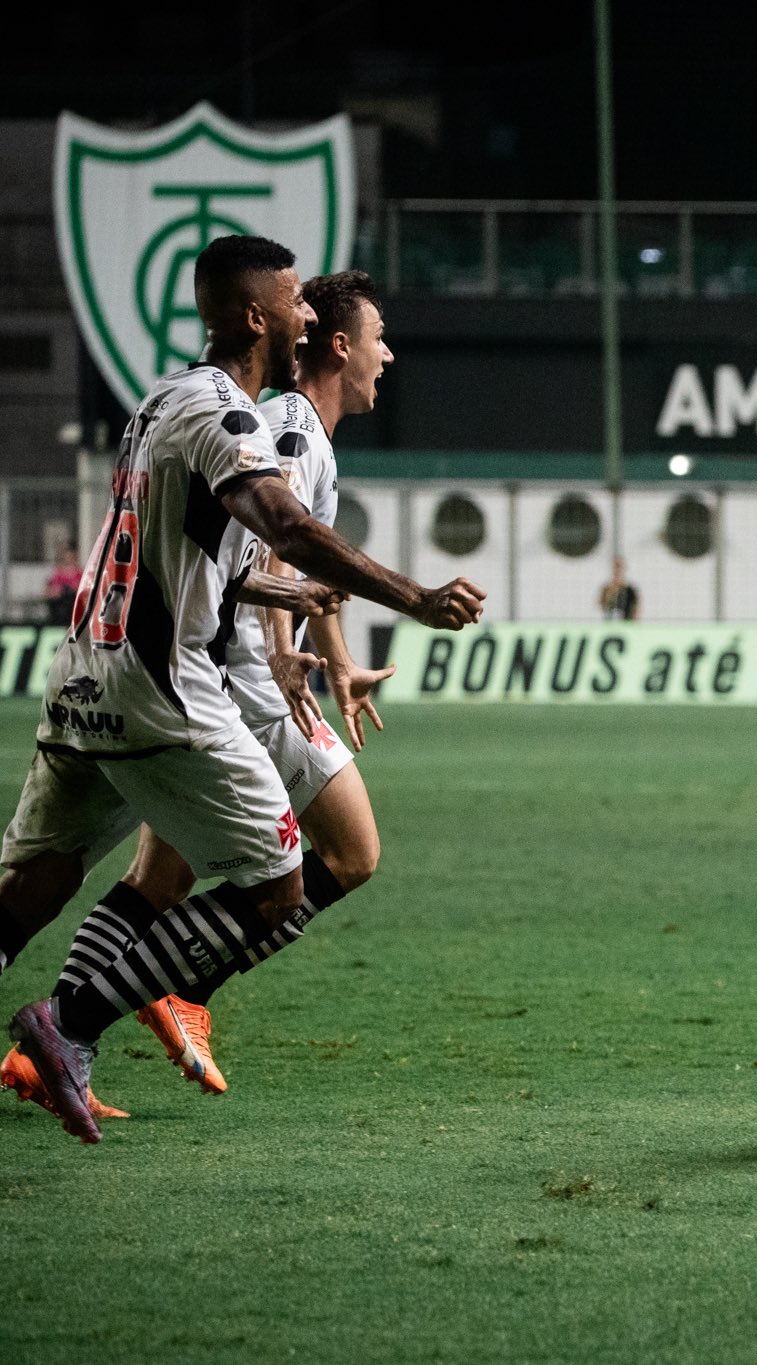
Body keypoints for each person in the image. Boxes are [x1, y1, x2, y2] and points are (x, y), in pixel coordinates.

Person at [0, 235, 485, 1145]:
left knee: (34, 886)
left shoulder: (160, 402)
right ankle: (72, 1025)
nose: (309, 315)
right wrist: (410, 598)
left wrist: (293, 608)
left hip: (83, 680)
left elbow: (209, 556)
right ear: (258, 315)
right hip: (163, 690)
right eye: (297, 299)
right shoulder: (233, 415)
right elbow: (282, 525)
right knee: (280, 881)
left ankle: (69, 1035)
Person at [43, 547, 81, 626]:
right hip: (60, 599)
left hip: (72, 599)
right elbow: (53, 587)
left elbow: (78, 587)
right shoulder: (59, 573)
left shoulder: (79, 573)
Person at [599, 557, 641, 621]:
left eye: (619, 567)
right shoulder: (606, 588)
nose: (617, 570)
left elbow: (636, 610)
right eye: (615, 567)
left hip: (626, 625)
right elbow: (602, 606)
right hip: (610, 626)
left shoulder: (630, 590)